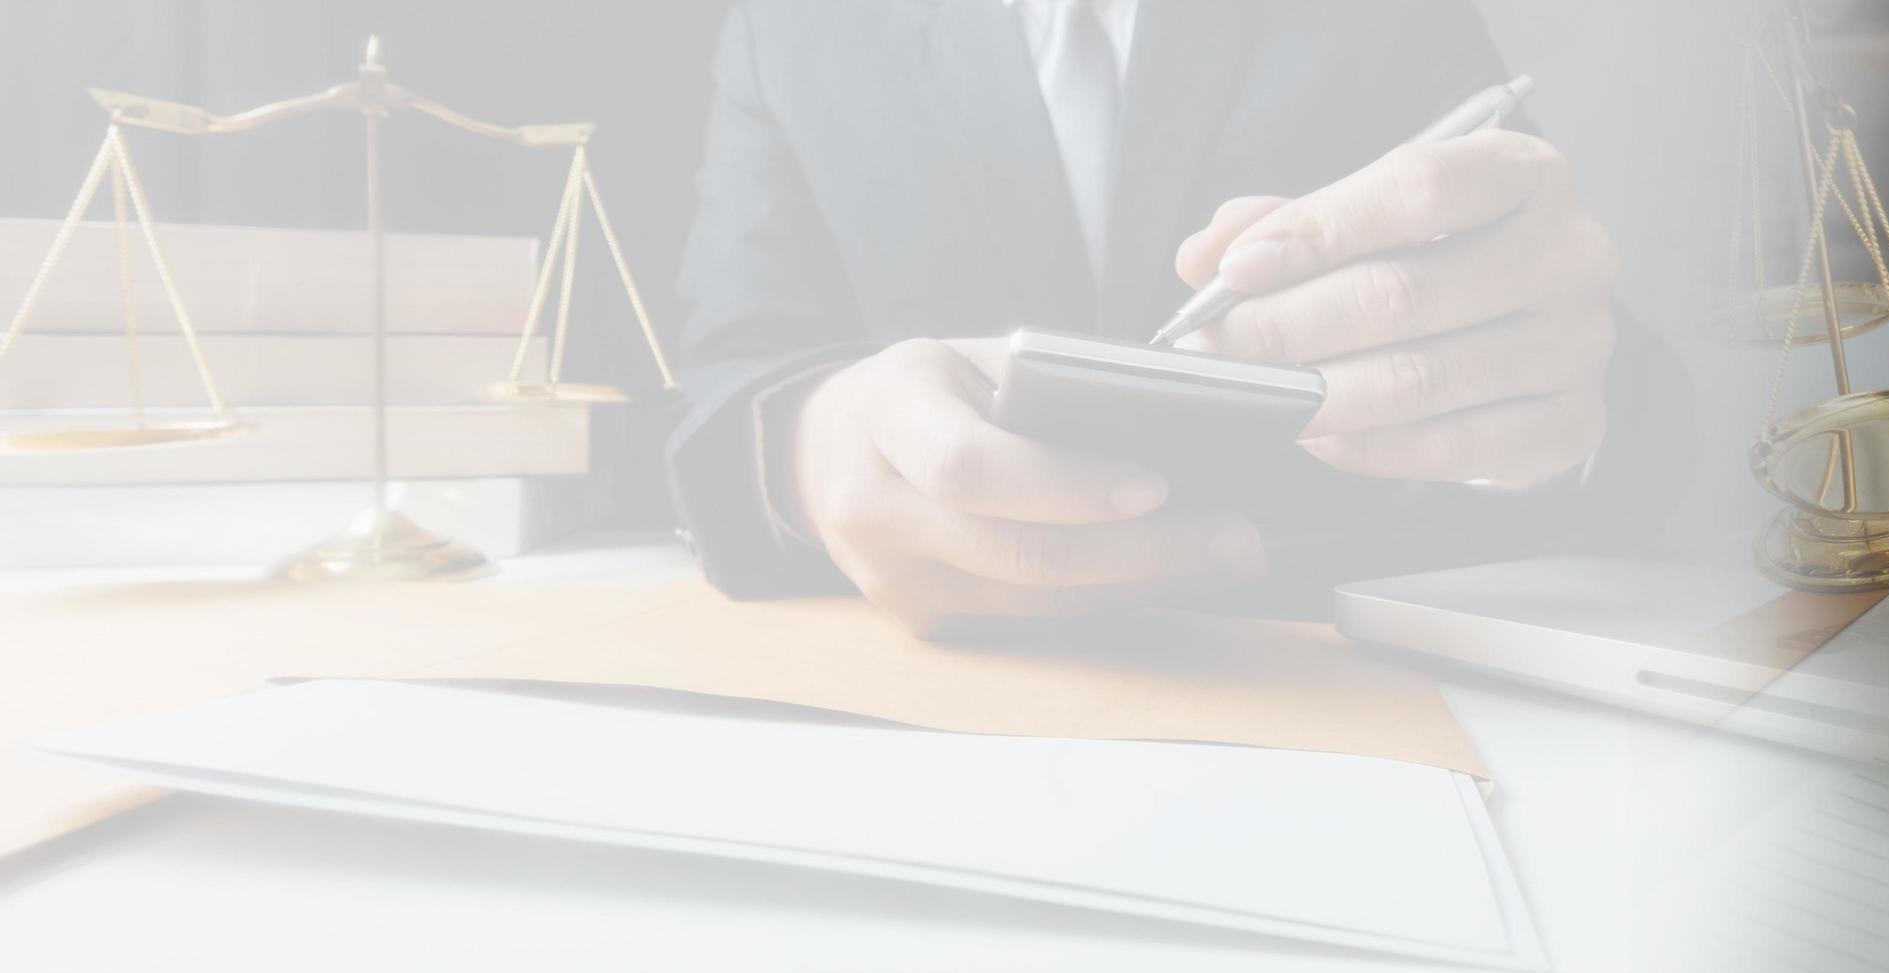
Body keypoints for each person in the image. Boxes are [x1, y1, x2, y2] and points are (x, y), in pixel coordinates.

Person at [665, 0, 1682, 632]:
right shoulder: (786, 26)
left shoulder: (1386, 14)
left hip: (1327, 687)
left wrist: (1539, 418)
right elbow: (734, 372)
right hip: (936, 701)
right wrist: (816, 448)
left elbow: (1555, 331)